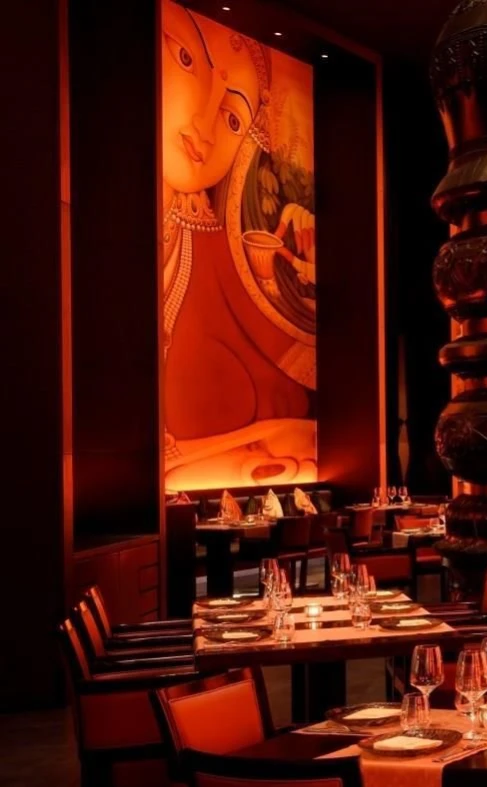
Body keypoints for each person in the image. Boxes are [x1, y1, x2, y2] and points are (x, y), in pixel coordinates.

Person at [159, 0, 318, 490]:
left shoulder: (214, 247)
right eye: (186, 61)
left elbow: (282, 368)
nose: (202, 129)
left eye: (232, 119)